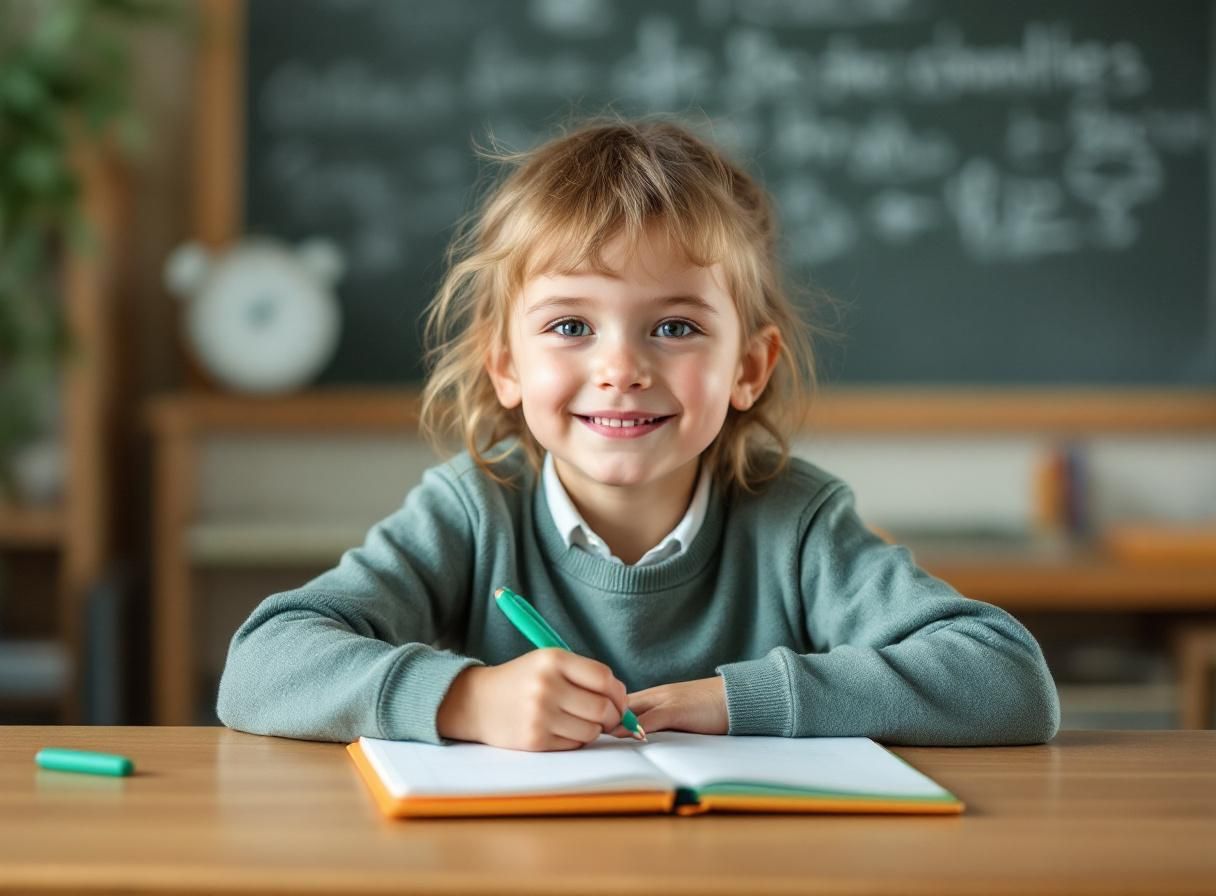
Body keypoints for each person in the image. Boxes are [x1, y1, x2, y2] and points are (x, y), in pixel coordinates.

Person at [217, 118, 1059, 751]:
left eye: (675, 328)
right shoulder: (474, 511)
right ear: (505, 365)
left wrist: (737, 702)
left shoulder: (796, 521)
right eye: (571, 327)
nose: (621, 369)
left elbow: (1007, 677)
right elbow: (261, 664)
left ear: (749, 368)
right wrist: (467, 700)